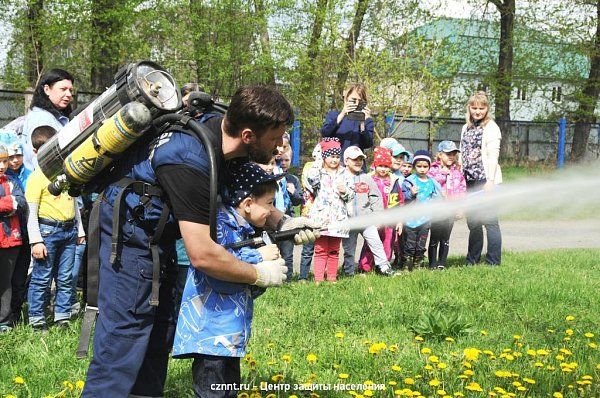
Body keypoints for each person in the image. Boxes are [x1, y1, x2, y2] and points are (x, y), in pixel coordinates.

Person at [82, 84, 319, 398]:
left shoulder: (222, 132)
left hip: (158, 243)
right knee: (122, 348)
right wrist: (258, 274)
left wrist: (284, 221)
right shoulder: (188, 160)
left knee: (155, 345)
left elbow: (240, 185)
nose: (279, 148)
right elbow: (203, 255)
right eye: (275, 139)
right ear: (248, 135)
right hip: (128, 243)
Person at [173, 161, 284, 397]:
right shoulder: (221, 224)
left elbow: (243, 284)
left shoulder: (242, 228)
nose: (272, 211)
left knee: (229, 390)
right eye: (269, 204)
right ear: (247, 204)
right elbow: (221, 267)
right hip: (212, 334)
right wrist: (258, 259)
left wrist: (264, 274)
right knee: (212, 390)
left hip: (227, 335)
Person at [25, 126, 86, 330]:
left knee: (66, 277)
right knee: (42, 278)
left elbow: (74, 202)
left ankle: (62, 316)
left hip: (69, 231)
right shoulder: (36, 177)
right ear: (35, 152)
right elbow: (31, 213)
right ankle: (37, 318)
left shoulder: (66, 174)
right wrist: (36, 240)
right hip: (47, 233)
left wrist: (80, 230)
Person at [460, 91, 503, 266]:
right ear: (469, 108)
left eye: (481, 108)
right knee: (473, 222)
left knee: (490, 221)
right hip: (469, 180)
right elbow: (463, 152)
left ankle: (493, 261)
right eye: (474, 107)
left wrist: (490, 181)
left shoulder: (491, 127)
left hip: (486, 181)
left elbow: (493, 155)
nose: (477, 111)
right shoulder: (466, 127)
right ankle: (472, 259)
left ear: (487, 109)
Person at [306, 138, 354, 283]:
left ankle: (332, 278)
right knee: (320, 250)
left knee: (334, 250)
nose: (334, 160)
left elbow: (352, 194)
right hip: (321, 218)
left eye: (337, 156)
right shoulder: (318, 172)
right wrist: (318, 160)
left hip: (338, 218)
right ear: (324, 156)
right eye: (331, 156)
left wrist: (345, 191)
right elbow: (310, 180)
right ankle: (319, 280)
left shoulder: (345, 173)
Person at [341, 146, 394, 277]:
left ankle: (384, 267)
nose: (359, 162)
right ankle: (349, 272)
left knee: (376, 243)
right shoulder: (340, 177)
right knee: (349, 249)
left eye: (361, 159)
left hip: (367, 219)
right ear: (346, 161)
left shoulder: (366, 178)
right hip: (349, 222)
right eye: (355, 159)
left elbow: (375, 197)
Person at [0, 130, 32, 324]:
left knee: (6, 283)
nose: (2, 165)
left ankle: (4, 321)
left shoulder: (12, 181)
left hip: (11, 241)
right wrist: (8, 204)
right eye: (1, 160)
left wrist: (8, 204)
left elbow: (20, 203)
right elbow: (12, 204)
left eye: (4, 161)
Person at [358, 147, 403, 273]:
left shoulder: (394, 181)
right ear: (375, 165)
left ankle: (383, 268)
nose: (383, 169)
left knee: (387, 243)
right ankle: (364, 268)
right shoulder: (368, 179)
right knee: (371, 244)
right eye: (380, 166)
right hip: (373, 218)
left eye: (386, 166)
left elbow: (399, 201)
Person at [22, 69, 74, 170]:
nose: (69, 94)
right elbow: (43, 165)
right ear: (46, 90)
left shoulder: (57, 115)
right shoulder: (42, 120)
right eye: (63, 89)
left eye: (70, 90)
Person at [427, 141, 466, 269]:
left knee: (445, 238)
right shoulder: (433, 170)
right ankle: (432, 264)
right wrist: (443, 174)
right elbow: (429, 184)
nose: (451, 156)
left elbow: (462, 190)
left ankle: (441, 264)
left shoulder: (457, 173)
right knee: (434, 238)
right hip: (437, 211)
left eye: (453, 154)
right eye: (448, 153)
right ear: (439, 155)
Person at [401, 150, 442, 270]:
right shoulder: (409, 181)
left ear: (429, 166)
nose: (422, 169)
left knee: (421, 245)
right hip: (411, 220)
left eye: (425, 166)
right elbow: (403, 197)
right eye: (419, 166)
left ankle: (417, 265)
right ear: (414, 166)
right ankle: (407, 267)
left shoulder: (431, 182)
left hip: (425, 220)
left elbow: (435, 198)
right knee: (410, 245)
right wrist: (411, 193)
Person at [321, 83, 374, 158]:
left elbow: (368, 144)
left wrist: (362, 124)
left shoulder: (367, 121)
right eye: (353, 100)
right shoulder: (334, 115)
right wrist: (342, 114)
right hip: (336, 163)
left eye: (360, 101)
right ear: (346, 98)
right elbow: (325, 133)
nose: (356, 104)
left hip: (356, 164)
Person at [278, 148, 304, 281]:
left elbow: (298, 201)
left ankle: (287, 280)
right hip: (272, 221)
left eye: (286, 160)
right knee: (274, 252)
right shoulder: (272, 174)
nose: (283, 162)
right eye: (281, 159)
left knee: (287, 253)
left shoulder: (292, 179)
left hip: (288, 219)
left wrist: (293, 192)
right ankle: (276, 278)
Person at [297, 144, 322, 282]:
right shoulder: (309, 167)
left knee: (324, 247)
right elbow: (312, 185)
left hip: (325, 214)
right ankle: (303, 276)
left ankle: (321, 274)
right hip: (309, 212)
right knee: (308, 247)